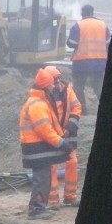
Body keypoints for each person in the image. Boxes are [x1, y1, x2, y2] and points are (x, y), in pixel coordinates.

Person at [19, 69, 73, 220]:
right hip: (36, 148)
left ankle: (39, 207)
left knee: (44, 177)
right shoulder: (38, 104)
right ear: (46, 87)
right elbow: (44, 130)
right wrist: (61, 143)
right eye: (51, 85)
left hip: (36, 148)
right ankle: (36, 209)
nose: (54, 87)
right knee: (41, 179)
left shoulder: (39, 102)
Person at [44, 66, 82, 208]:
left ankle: (70, 197)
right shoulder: (43, 96)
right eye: (55, 80)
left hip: (67, 135)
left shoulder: (68, 91)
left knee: (72, 162)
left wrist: (70, 127)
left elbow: (76, 108)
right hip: (52, 137)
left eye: (59, 79)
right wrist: (54, 133)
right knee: (52, 166)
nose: (58, 82)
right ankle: (53, 201)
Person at [66, 4, 110, 114]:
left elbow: (72, 43)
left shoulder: (78, 26)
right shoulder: (103, 25)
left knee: (79, 87)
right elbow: (108, 43)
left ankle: (82, 111)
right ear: (92, 12)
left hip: (81, 63)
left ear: (82, 13)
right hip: (99, 62)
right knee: (98, 87)